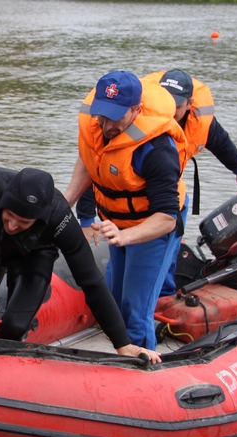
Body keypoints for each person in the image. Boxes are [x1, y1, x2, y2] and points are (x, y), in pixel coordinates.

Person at [0, 166, 161, 363]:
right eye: (9, 215)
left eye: (23, 222)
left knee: (14, 328)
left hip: (33, 258)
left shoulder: (60, 218)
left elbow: (91, 281)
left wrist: (122, 343)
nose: (13, 226)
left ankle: (12, 357)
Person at [77, 69, 237, 295]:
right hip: (124, 211)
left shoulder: (182, 133)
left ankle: (165, 296)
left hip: (166, 205)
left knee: (163, 263)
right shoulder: (130, 126)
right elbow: (101, 171)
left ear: (190, 104)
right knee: (117, 274)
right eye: (164, 99)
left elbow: (221, 143)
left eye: (176, 104)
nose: (169, 109)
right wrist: (86, 216)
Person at [64, 70, 188, 350]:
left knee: (135, 309)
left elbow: (167, 218)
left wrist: (126, 237)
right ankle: (118, 354)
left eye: (115, 116)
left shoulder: (157, 150)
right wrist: (68, 201)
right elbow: (90, 161)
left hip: (152, 227)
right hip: (115, 223)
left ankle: (144, 368)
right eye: (102, 115)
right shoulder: (97, 127)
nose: (106, 125)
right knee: (114, 299)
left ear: (136, 110)